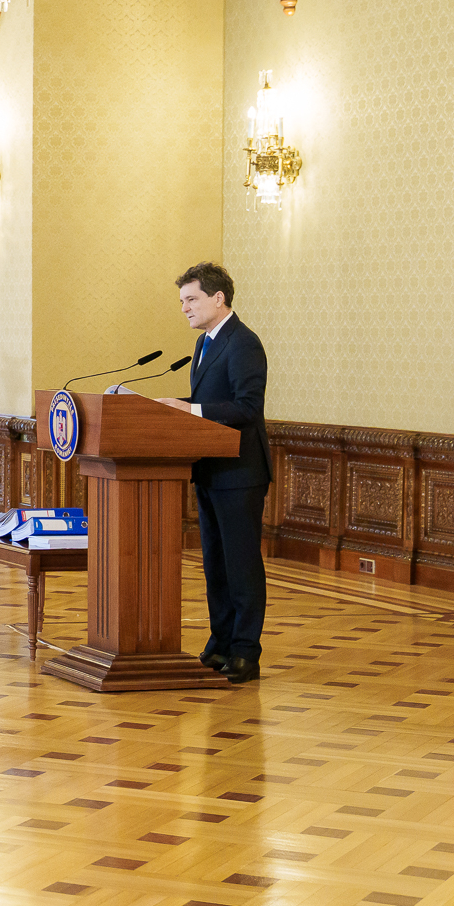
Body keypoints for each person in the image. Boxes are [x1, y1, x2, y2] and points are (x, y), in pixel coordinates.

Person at [156, 262, 272, 684]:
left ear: (218, 298)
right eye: (182, 301)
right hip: (209, 470)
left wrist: (189, 409)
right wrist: (176, 406)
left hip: (239, 473)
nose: (184, 308)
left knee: (241, 566)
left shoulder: (244, 343)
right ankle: (220, 643)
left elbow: (247, 407)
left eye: (191, 299)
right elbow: (207, 402)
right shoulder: (205, 343)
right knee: (215, 566)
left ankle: (245, 652)